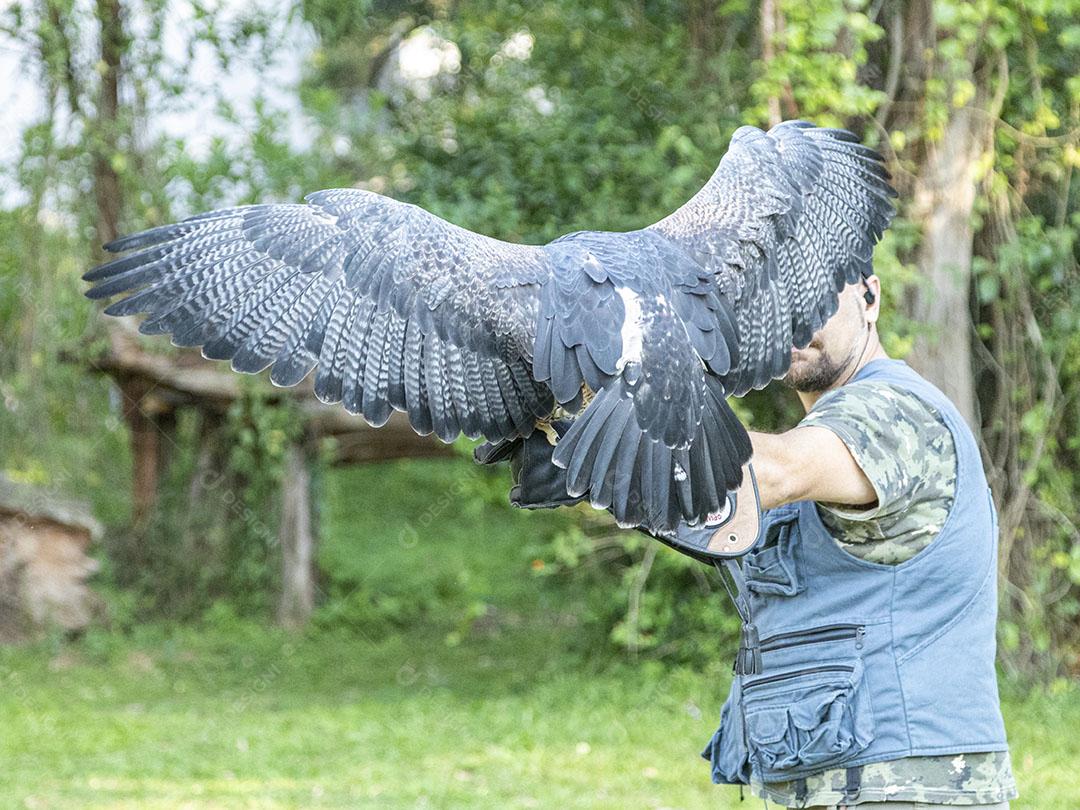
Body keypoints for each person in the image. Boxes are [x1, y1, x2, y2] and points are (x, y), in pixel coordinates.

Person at [702, 271, 1017, 809]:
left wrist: (638, 423)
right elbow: (692, 500)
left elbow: (770, 473)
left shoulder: (897, 411)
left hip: (909, 788)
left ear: (870, 297)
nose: (793, 320)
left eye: (813, 295)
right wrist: (570, 433)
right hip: (845, 784)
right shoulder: (821, 435)